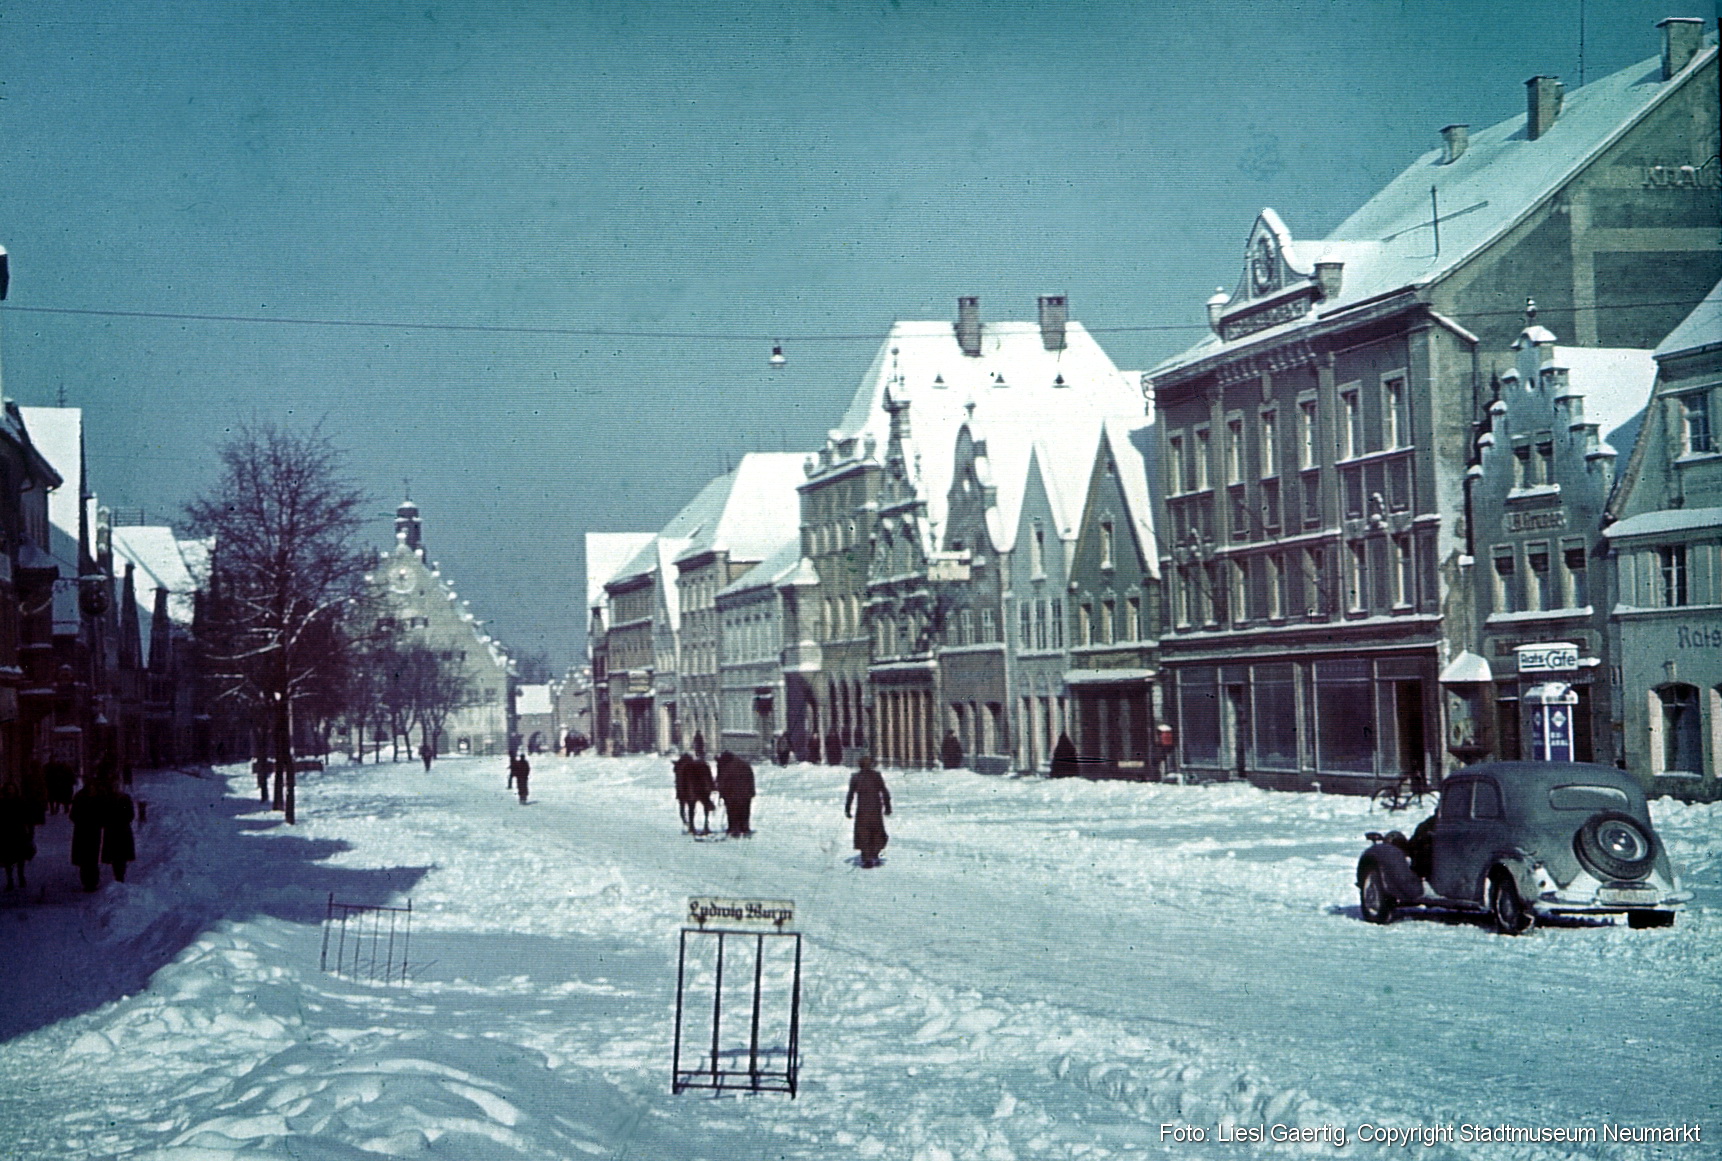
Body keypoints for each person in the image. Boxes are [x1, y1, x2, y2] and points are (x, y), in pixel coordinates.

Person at [845, 755, 892, 868]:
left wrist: (847, 809)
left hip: (862, 810)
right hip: (876, 809)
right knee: (877, 831)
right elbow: (885, 792)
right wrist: (888, 807)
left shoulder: (856, 777)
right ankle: (874, 854)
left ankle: (867, 858)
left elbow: (850, 795)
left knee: (863, 832)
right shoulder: (876, 776)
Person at [69, 780, 104, 892]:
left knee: (93, 857)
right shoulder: (80, 798)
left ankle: (93, 881)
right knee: (84, 858)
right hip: (82, 832)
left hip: (94, 831)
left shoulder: (99, 798)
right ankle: (86, 882)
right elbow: (73, 815)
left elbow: (104, 813)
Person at [0, 783, 36, 891]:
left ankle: (21, 876)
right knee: (7, 858)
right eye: (8, 789)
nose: (10, 791)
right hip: (5, 833)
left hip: (19, 833)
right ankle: (9, 879)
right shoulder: (2, 803)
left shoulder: (21, 802)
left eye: (12, 789)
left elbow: (28, 818)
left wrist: (30, 832)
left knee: (20, 856)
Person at [102, 782, 137, 883]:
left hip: (120, 830)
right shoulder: (107, 798)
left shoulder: (124, 798)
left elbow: (130, 814)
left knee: (120, 855)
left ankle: (120, 876)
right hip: (115, 830)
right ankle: (119, 876)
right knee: (117, 855)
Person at [715, 751, 756, 837]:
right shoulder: (745, 764)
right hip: (746, 794)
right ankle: (745, 828)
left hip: (732, 794)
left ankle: (734, 828)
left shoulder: (727, 767)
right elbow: (751, 778)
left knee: (732, 811)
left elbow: (722, 781)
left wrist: (722, 792)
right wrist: (751, 792)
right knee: (745, 811)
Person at [685, 752, 714, 834]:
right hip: (703, 790)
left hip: (692, 790)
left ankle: (691, 826)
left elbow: (685, 779)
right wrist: (711, 787)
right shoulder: (705, 766)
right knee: (706, 807)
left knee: (691, 808)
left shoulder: (689, 766)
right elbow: (709, 778)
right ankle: (706, 826)